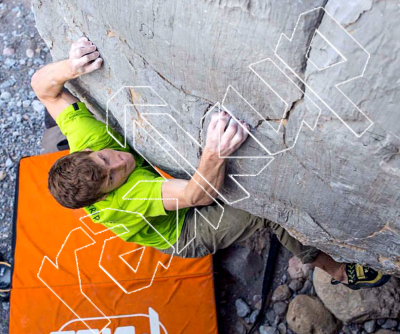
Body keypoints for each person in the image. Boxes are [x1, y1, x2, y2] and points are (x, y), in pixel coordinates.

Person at [31, 37, 390, 290]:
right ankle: (339, 270)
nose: (120, 163)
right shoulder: (127, 200)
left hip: (175, 198)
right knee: (262, 211)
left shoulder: (86, 139)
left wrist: (70, 65)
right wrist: (215, 149)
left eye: (106, 159)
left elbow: (42, 87)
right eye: (112, 177)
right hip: (184, 230)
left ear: (85, 150)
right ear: (105, 194)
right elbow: (196, 195)